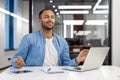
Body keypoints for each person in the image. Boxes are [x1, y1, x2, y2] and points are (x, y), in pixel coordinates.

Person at [11, 8, 89, 68]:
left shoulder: (62, 41)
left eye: (52, 17)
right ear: (39, 20)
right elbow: (15, 59)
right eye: (46, 17)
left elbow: (66, 64)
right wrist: (17, 62)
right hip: (35, 76)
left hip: (56, 76)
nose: (50, 19)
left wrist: (77, 60)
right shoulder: (28, 38)